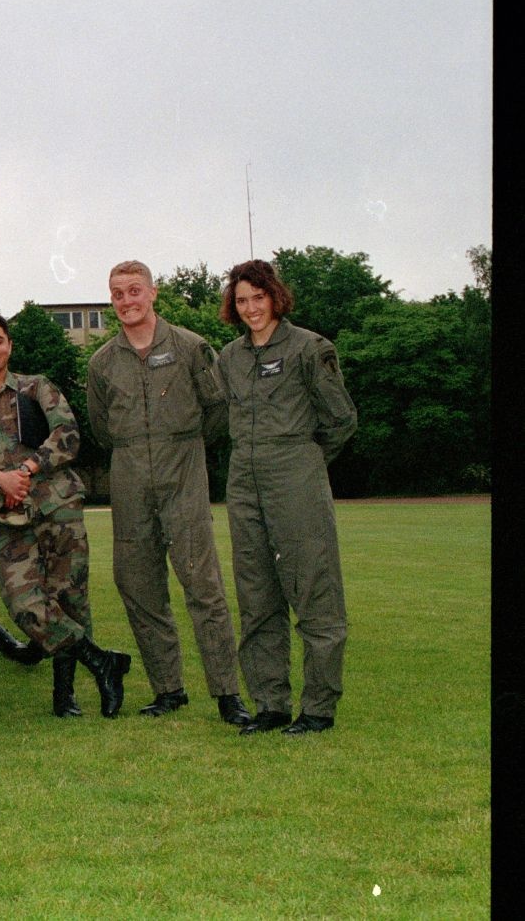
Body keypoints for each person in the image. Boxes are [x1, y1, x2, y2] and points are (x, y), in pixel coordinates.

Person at [0, 311, 133, 719]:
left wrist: (27, 470)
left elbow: (67, 435)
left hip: (56, 506)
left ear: (9, 345)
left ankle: (65, 699)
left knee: (69, 598)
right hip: (5, 519)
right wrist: (0, 479)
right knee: (26, 605)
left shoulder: (36, 388)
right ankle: (102, 662)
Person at [86, 261, 252, 726]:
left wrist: (185, 447)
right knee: (139, 586)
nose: (126, 301)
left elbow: (218, 411)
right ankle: (168, 689)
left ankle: (227, 693)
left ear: (153, 293)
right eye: (117, 293)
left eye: (134, 291)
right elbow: (100, 428)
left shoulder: (190, 347)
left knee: (203, 586)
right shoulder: (102, 362)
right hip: (129, 474)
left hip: (184, 470)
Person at [217, 259, 357, 736]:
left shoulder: (309, 348)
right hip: (243, 479)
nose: (251, 308)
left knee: (314, 591)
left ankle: (318, 707)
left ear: (276, 296)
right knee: (256, 596)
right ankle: (270, 704)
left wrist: (304, 462)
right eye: (241, 300)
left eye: (258, 297)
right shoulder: (229, 358)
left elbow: (340, 420)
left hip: (294, 474)